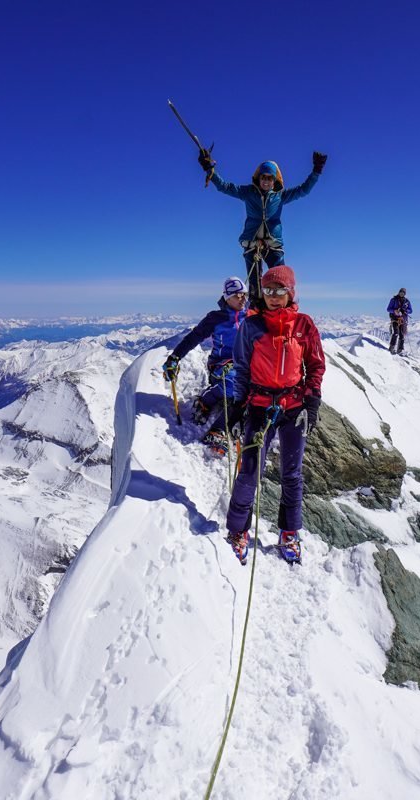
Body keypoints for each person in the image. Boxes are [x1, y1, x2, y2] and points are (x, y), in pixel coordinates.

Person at [224, 265, 325, 565]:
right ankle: (237, 530)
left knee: (291, 474)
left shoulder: (304, 325)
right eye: (268, 291)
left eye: (280, 291)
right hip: (258, 405)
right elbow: (241, 369)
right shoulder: (251, 327)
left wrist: (312, 402)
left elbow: (315, 366)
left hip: (293, 407)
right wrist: (237, 408)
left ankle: (290, 532)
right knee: (249, 471)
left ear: (291, 292)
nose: (274, 296)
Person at [197, 153, 327, 303]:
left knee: (281, 280)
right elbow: (224, 187)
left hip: (273, 245)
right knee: (255, 286)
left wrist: (317, 170)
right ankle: (256, 313)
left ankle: (284, 310)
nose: (266, 181)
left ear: (274, 180)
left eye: (269, 178)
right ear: (258, 179)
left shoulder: (280, 196)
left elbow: (304, 190)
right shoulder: (248, 193)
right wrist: (209, 168)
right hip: (252, 245)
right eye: (263, 177)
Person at [160, 277, 248, 455]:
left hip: (246, 366)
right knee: (236, 385)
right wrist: (175, 357)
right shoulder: (216, 319)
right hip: (221, 366)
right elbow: (194, 338)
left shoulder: (250, 315)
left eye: (244, 295)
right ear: (227, 297)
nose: (243, 299)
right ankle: (209, 403)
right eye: (238, 296)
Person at [387, 288, 412, 355]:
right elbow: (388, 309)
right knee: (396, 332)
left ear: (405, 294)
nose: (402, 293)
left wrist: (405, 311)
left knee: (402, 335)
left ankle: (400, 350)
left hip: (403, 320)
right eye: (401, 292)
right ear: (399, 292)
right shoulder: (393, 300)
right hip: (394, 319)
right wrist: (395, 311)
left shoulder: (407, 301)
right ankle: (391, 347)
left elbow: (411, 310)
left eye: (403, 293)